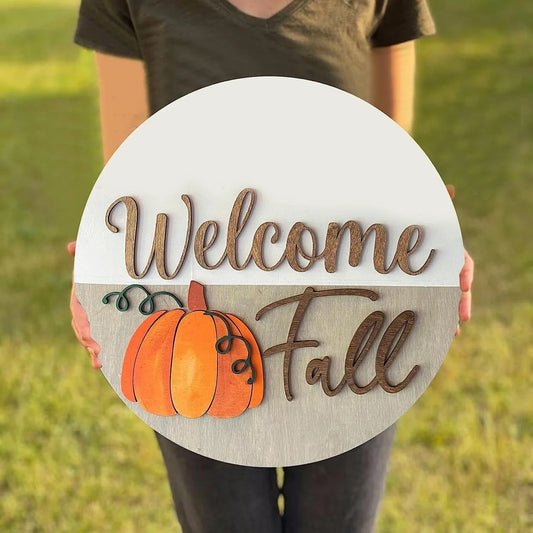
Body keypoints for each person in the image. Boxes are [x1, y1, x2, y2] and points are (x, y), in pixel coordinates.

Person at [69, 1, 474, 531]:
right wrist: (102, 273)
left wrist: (429, 246)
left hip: (354, 325)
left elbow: (393, 159)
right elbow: (127, 176)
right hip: (191, 326)